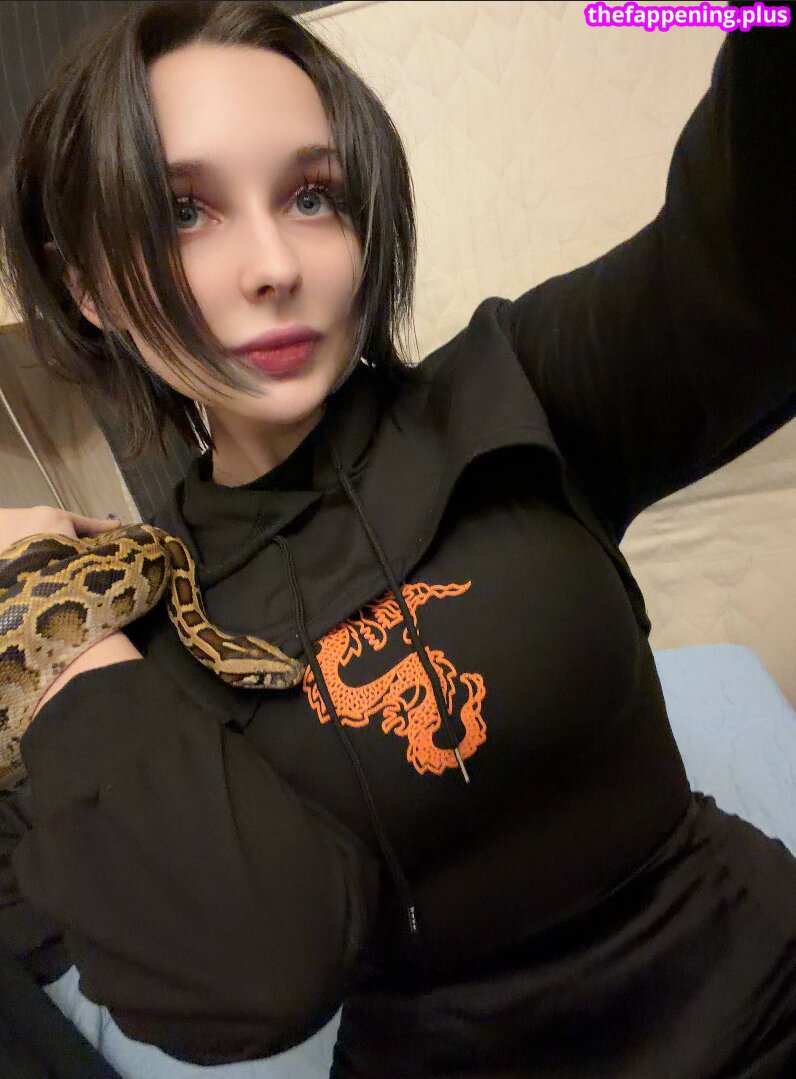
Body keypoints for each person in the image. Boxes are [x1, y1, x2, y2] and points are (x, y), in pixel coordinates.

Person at [0, 1, 794, 1076]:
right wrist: (46, 624)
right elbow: (252, 976)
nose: (273, 264)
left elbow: (748, 252)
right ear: (90, 287)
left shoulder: (517, 390)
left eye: (311, 195)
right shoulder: (138, 630)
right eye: (184, 211)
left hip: (761, 999)